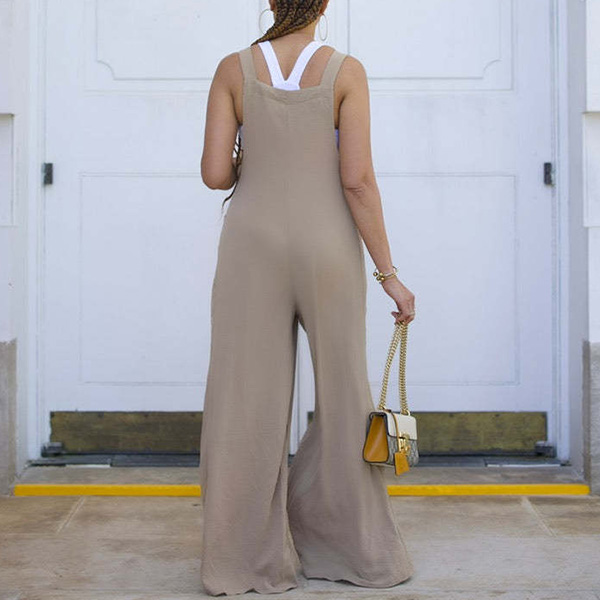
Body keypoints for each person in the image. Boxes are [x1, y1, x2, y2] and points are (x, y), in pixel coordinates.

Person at [199, 0, 416, 595]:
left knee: (244, 401)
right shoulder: (345, 71)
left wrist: (255, 152)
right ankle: (356, 556)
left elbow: (215, 174)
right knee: (345, 396)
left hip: (251, 247)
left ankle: (241, 564)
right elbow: (357, 180)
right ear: (322, 3)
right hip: (328, 248)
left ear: (271, 2)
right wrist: (389, 274)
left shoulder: (233, 69)